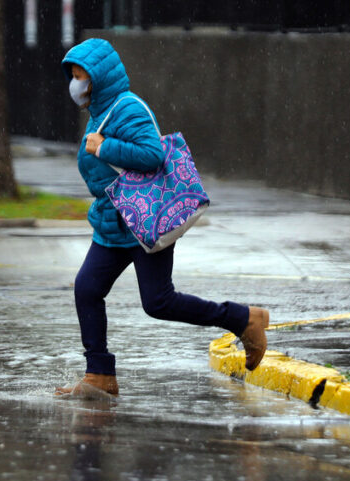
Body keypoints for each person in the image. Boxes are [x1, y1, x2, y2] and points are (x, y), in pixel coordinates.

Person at [55, 38, 269, 398]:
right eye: (73, 76)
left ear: (98, 78)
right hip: (113, 223)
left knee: (158, 302)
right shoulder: (100, 110)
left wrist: (104, 147)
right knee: (87, 289)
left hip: (143, 224)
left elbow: (153, 154)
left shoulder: (128, 108)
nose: (76, 84)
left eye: (81, 76)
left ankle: (245, 319)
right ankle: (99, 375)